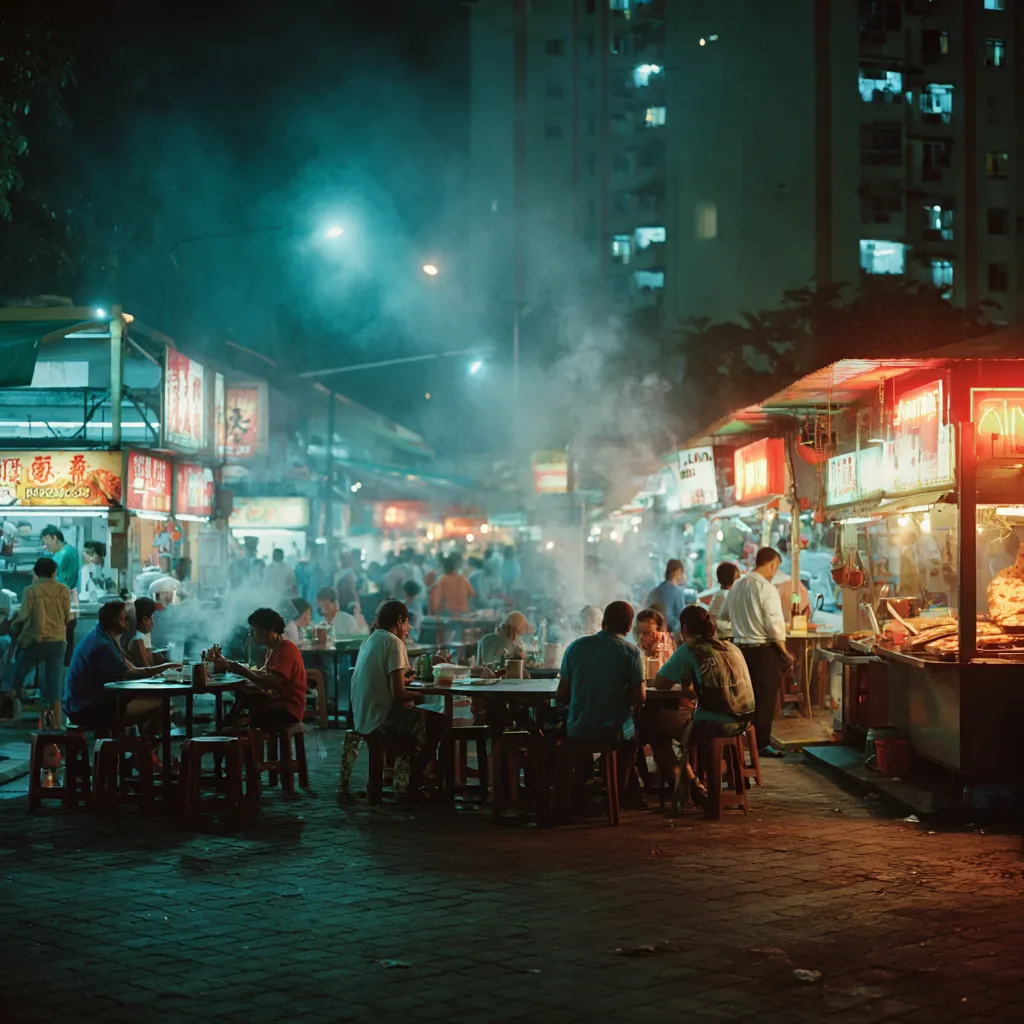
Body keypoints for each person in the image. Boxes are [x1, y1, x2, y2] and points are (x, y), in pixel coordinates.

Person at [654, 604, 756, 813]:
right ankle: (693, 783)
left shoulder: (690, 649)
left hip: (714, 721)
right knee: (669, 723)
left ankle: (691, 784)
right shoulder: (731, 647)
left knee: (653, 728)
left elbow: (661, 683)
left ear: (684, 628)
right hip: (744, 720)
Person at [349, 599, 448, 797]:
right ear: (399, 621)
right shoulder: (394, 642)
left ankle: (404, 779)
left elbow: (390, 679)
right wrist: (423, 693)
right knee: (439, 723)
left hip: (362, 715)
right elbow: (399, 694)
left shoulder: (371, 639)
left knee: (422, 721)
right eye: (407, 622)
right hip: (382, 717)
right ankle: (414, 783)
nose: (408, 628)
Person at [720, 547, 792, 757]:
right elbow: (774, 624)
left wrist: (733, 635)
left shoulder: (737, 585)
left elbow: (722, 619)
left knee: (744, 699)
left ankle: (744, 742)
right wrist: (784, 651)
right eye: (776, 567)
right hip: (763, 651)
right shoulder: (766, 588)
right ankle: (761, 744)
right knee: (765, 700)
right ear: (773, 564)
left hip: (739, 652)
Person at [63, 601, 178, 730]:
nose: (129, 622)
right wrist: (167, 667)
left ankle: (140, 740)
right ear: (114, 621)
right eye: (125, 619)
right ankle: (144, 742)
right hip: (85, 708)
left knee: (151, 700)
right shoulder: (103, 645)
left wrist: (163, 668)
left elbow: (132, 668)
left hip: (81, 703)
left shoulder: (101, 636)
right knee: (162, 703)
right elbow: (131, 674)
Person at [557, 601, 646, 744]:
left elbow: (561, 695)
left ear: (603, 623)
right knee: (635, 731)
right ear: (629, 627)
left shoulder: (575, 647)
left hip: (578, 729)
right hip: (616, 732)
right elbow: (639, 698)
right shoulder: (632, 652)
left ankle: (583, 760)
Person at [2, 557, 70, 723]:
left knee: (16, 674)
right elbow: (67, 616)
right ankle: (56, 723)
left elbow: (23, 616)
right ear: (54, 572)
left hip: (36, 641)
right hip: (58, 641)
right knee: (54, 684)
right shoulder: (64, 590)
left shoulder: (30, 591)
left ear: (36, 573)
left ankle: (12, 712)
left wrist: (13, 624)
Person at [214, 608, 307, 729]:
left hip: (289, 709)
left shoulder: (288, 648)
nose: (251, 634)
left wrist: (242, 670)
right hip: (276, 702)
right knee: (243, 695)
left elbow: (269, 682)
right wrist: (230, 665)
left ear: (269, 631)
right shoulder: (272, 649)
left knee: (247, 705)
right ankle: (228, 727)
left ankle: (230, 729)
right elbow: (263, 673)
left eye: (254, 631)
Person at [40, 525, 80, 665]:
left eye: (46, 541)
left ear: (55, 538)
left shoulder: (65, 554)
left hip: (62, 605)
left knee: (62, 648)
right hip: (62, 604)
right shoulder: (64, 552)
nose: (45, 546)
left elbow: (56, 581)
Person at [646, 559, 689, 631]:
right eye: (683, 572)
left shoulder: (655, 591)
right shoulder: (677, 592)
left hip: (652, 631)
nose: (685, 576)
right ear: (678, 571)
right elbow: (682, 617)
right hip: (669, 633)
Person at [126, 597, 162, 668]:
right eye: (151, 618)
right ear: (145, 619)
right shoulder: (138, 640)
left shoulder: (142, 636)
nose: (153, 623)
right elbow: (148, 668)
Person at [708, 562, 741, 639]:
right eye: (737, 577)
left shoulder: (719, 595)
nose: (739, 579)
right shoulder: (727, 595)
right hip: (727, 638)